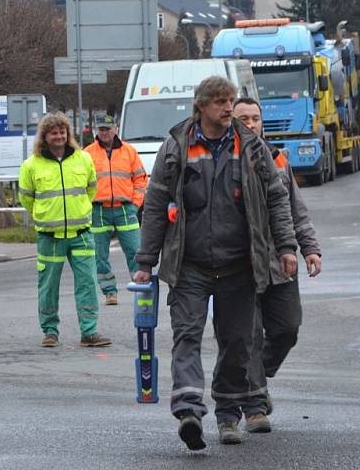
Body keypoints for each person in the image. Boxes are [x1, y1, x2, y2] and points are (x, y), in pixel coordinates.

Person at [134, 76, 298, 450]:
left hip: (240, 265)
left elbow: (277, 199)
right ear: (201, 106)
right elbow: (156, 205)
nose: (228, 108)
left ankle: (228, 415)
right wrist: (146, 260)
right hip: (190, 265)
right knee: (187, 337)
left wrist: (286, 247)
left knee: (238, 343)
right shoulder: (177, 146)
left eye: (231, 101)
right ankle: (189, 411)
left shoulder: (251, 146)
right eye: (221, 102)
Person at [231, 97, 322, 434]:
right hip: (239, 266)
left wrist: (310, 249)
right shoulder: (223, 160)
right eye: (244, 118)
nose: (251, 124)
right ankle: (255, 406)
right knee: (249, 337)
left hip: (279, 262)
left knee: (287, 329)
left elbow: (296, 210)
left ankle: (258, 379)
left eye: (255, 118)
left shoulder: (278, 158)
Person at [18, 112, 112, 349]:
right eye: (54, 133)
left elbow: (90, 190)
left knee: (87, 284)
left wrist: (77, 211)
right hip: (50, 237)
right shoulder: (31, 165)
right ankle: (50, 332)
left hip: (81, 235)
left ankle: (89, 332)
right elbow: (26, 199)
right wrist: (45, 216)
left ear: (68, 134)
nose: (59, 136)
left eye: (62, 132)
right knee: (48, 287)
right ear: (45, 137)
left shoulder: (83, 159)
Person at [84, 114, 147, 306]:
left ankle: (141, 289)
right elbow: (82, 183)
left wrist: (135, 203)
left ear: (115, 129)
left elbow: (141, 179)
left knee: (135, 251)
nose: (104, 132)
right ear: (97, 130)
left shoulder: (129, 151)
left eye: (108, 129)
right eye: (101, 129)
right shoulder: (87, 153)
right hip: (98, 210)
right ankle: (109, 292)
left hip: (125, 208)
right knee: (99, 255)